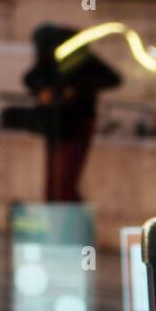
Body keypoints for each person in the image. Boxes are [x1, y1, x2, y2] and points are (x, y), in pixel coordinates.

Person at [23, 24, 121, 202]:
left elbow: (111, 79)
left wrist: (75, 89)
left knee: (64, 182)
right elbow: (31, 78)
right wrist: (44, 91)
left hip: (76, 123)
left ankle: (69, 220)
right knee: (55, 182)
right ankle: (58, 218)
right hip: (56, 123)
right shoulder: (52, 60)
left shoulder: (82, 61)